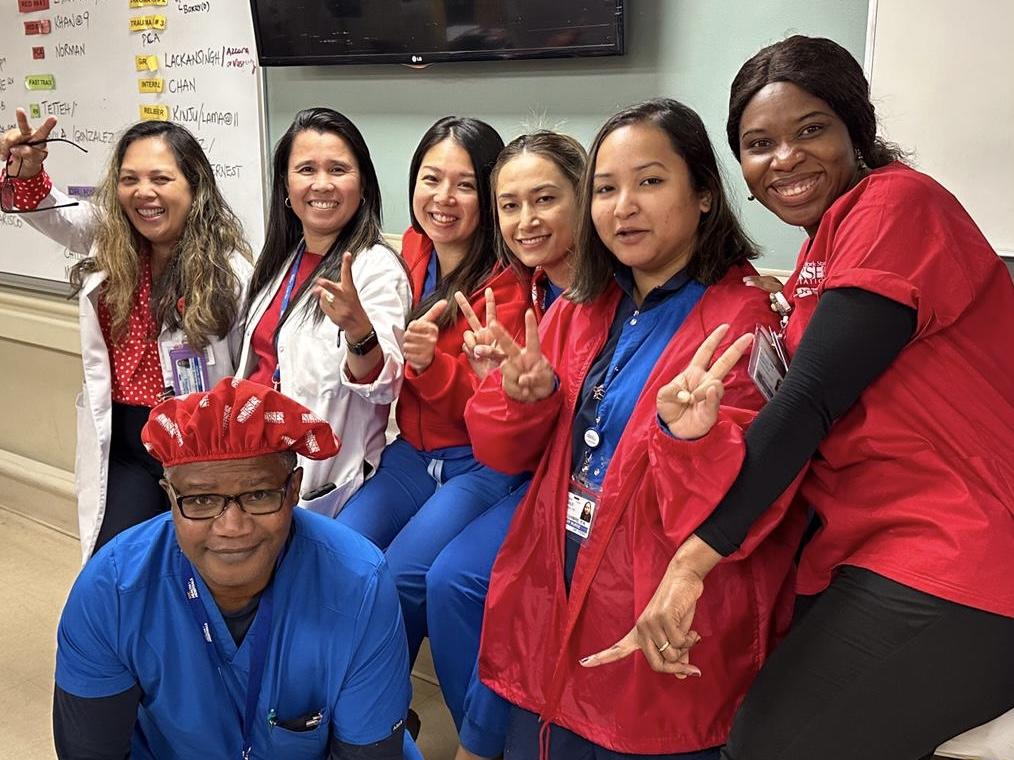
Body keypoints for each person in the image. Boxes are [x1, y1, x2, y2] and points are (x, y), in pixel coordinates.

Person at [640, 36, 1014, 760]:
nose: (784, 158)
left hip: (959, 558)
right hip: (869, 549)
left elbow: (809, 400)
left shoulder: (896, 204)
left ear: (856, 131)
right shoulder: (818, 253)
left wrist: (691, 562)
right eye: (758, 143)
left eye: (810, 130)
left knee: (767, 747)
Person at [464, 99, 807, 758]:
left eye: (649, 182)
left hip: (659, 614)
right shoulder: (584, 306)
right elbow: (507, 454)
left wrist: (691, 440)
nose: (623, 206)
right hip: (554, 592)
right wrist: (522, 400)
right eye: (605, 188)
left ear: (704, 193)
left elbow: (747, 508)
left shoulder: (744, 322)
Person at [53, 377, 422, 760]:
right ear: (170, 497)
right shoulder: (110, 592)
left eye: (259, 495)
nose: (232, 527)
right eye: (200, 500)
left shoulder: (359, 586)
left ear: (294, 490)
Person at [0, 109, 253, 561]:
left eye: (161, 178)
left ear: (194, 187)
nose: (144, 193)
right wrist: (30, 171)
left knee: (203, 568)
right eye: (129, 179)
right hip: (125, 443)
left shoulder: (230, 273)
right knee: (117, 564)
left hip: (199, 444)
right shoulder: (111, 243)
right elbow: (56, 216)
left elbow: (249, 373)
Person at [336, 116, 529, 681]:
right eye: (430, 178)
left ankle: (383, 719)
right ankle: (361, 709)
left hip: (480, 465)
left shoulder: (513, 284)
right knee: (341, 555)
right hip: (412, 456)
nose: (443, 198)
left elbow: (500, 407)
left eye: (465, 184)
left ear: (490, 195)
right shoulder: (412, 253)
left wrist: (432, 367)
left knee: (403, 578)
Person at [414, 130, 586, 760]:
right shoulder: (529, 287)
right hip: (531, 474)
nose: (525, 220)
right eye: (509, 205)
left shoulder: (604, 288)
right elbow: (501, 442)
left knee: (465, 580)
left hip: (577, 489)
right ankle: (478, 737)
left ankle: (490, 743)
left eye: (544, 200)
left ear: (582, 198)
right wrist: (503, 391)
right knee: (445, 581)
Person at [236, 107, 411, 517]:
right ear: (286, 185)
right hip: (252, 455)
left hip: (319, 472)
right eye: (306, 169)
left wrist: (357, 330)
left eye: (338, 169)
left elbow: (385, 385)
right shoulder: (280, 260)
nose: (322, 184)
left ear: (363, 184)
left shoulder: (376, 268)